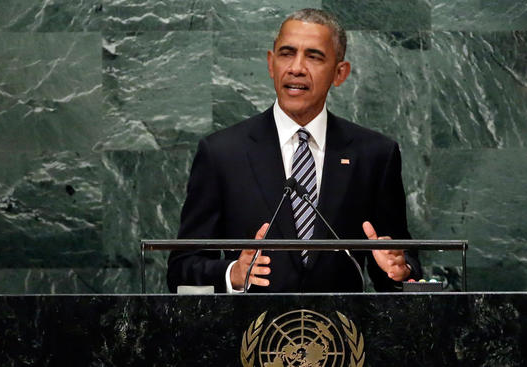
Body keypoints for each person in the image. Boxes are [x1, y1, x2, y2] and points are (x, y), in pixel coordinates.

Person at [167, 8, 422, 293]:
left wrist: (399, 269)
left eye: (313, 56)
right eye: (287, 53)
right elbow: (182, 269)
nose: (297, 67)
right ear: (270, 63)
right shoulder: (222, 154)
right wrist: (232, 274)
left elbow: (401, 259)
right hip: (252, 333)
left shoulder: (375, 155)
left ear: (340, 73)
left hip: (342, 333)